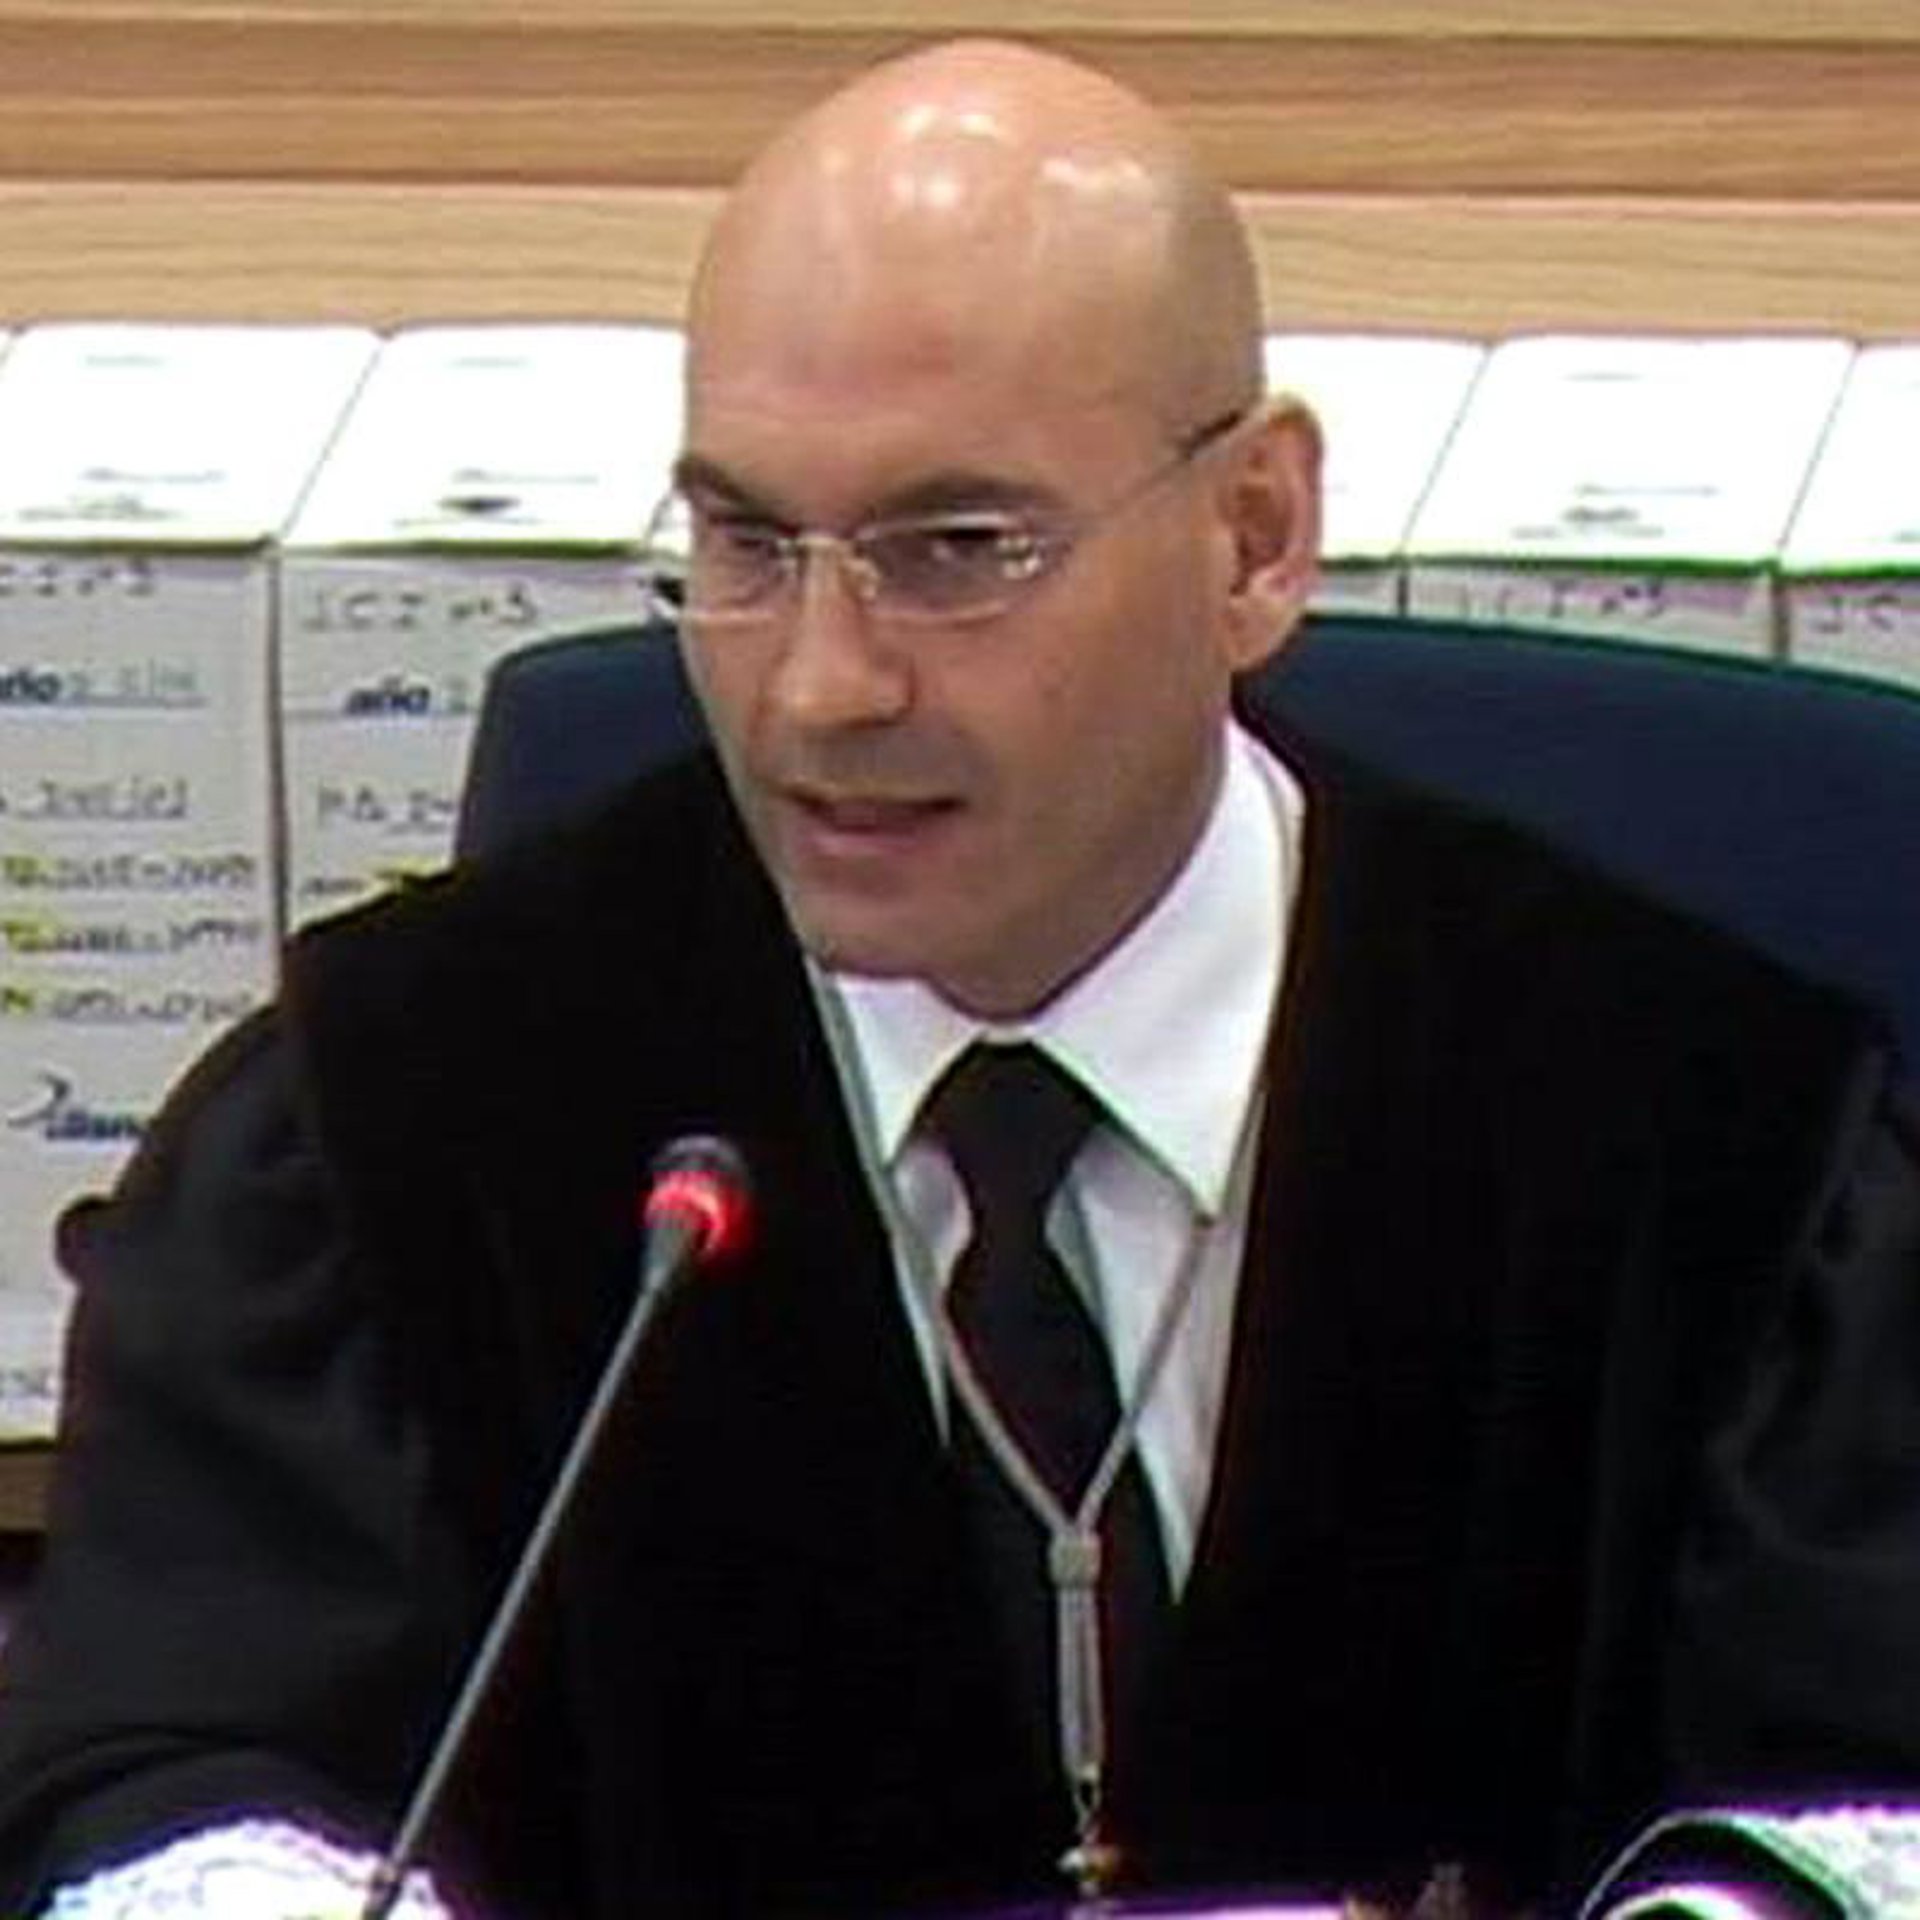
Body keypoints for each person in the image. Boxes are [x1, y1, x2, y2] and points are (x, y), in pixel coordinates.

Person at [2, 34, 1918, 1920]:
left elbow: (1865, 1789)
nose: (820, 687)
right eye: (748, 543)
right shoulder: (400, 1125)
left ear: (1254, 537)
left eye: (956, 549)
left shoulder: (1698, 1136)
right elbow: (178, 1762)